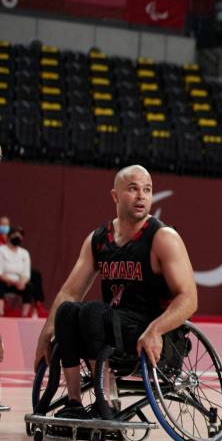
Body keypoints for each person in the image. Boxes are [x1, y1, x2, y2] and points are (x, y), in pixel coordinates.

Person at [33, 165, 198, 420]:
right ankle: (75, 403)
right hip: (112, 326)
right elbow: (69, 292)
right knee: (67, 311)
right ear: (115, 196)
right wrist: (45, 334)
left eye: (147, 190)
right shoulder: (98, 239)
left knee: (93, 312)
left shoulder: (163, 238)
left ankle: (105, 402)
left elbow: (189, 298)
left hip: (152, 331)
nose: (142, 196)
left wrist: (155, 331)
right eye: (133, 189)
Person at [0, 225, 33, 317]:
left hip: (19, 283)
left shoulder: (24, 253)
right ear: (9, 236)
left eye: (20, 235)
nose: (18, 237)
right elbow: (0, 273)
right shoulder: (1, 250)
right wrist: (12, 282)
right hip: (5, 281)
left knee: (29, 287)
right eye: (15, 235)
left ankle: (24, 315)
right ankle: (0, 313)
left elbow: (26, 274)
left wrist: (22, 282)